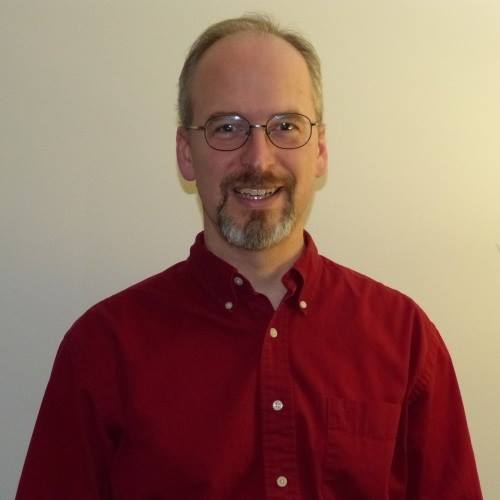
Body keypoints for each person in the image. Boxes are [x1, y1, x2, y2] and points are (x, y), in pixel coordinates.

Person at [16, 14, 482, 500]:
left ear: (320, 148)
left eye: (286, 125)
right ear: (186, 152)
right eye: (226, 127)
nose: (258, 159)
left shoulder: (404, 340)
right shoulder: (101, 351)